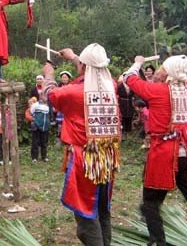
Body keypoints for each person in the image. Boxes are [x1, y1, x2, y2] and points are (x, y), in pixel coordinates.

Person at [124, 55, 187, 246]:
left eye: (163, 68)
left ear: (171, 72)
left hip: (165, 155)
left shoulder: (159, 91)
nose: (159, 70)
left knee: (150, 203)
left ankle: (158, 242)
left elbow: (130, 79)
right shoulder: (186, 91)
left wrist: (138, 62)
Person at [43, 43, 120, 246]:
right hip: (106, 159)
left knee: (86, 214)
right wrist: (74, 57)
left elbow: (51, 94)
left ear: (84, 67)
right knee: (102, 210)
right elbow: (93, 71)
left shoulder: (74, 92)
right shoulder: (111, 86)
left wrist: (49, 75)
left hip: (85, 161)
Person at [30, 97, 50, 163]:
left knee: (44, 142)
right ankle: (34, 158)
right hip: (36, 126)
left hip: (45, 127)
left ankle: (44, 157)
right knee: (35, 142)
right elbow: (31, 113)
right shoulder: (35, 105)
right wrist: (35, 122)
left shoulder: (47, 105)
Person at [117, 74, 134, 140]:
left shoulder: (131, 86)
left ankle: (128, 135)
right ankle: (123, 135)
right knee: (122, 117)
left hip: (129, 103)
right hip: (122, 103)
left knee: (129, 117)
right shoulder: (120, 86)